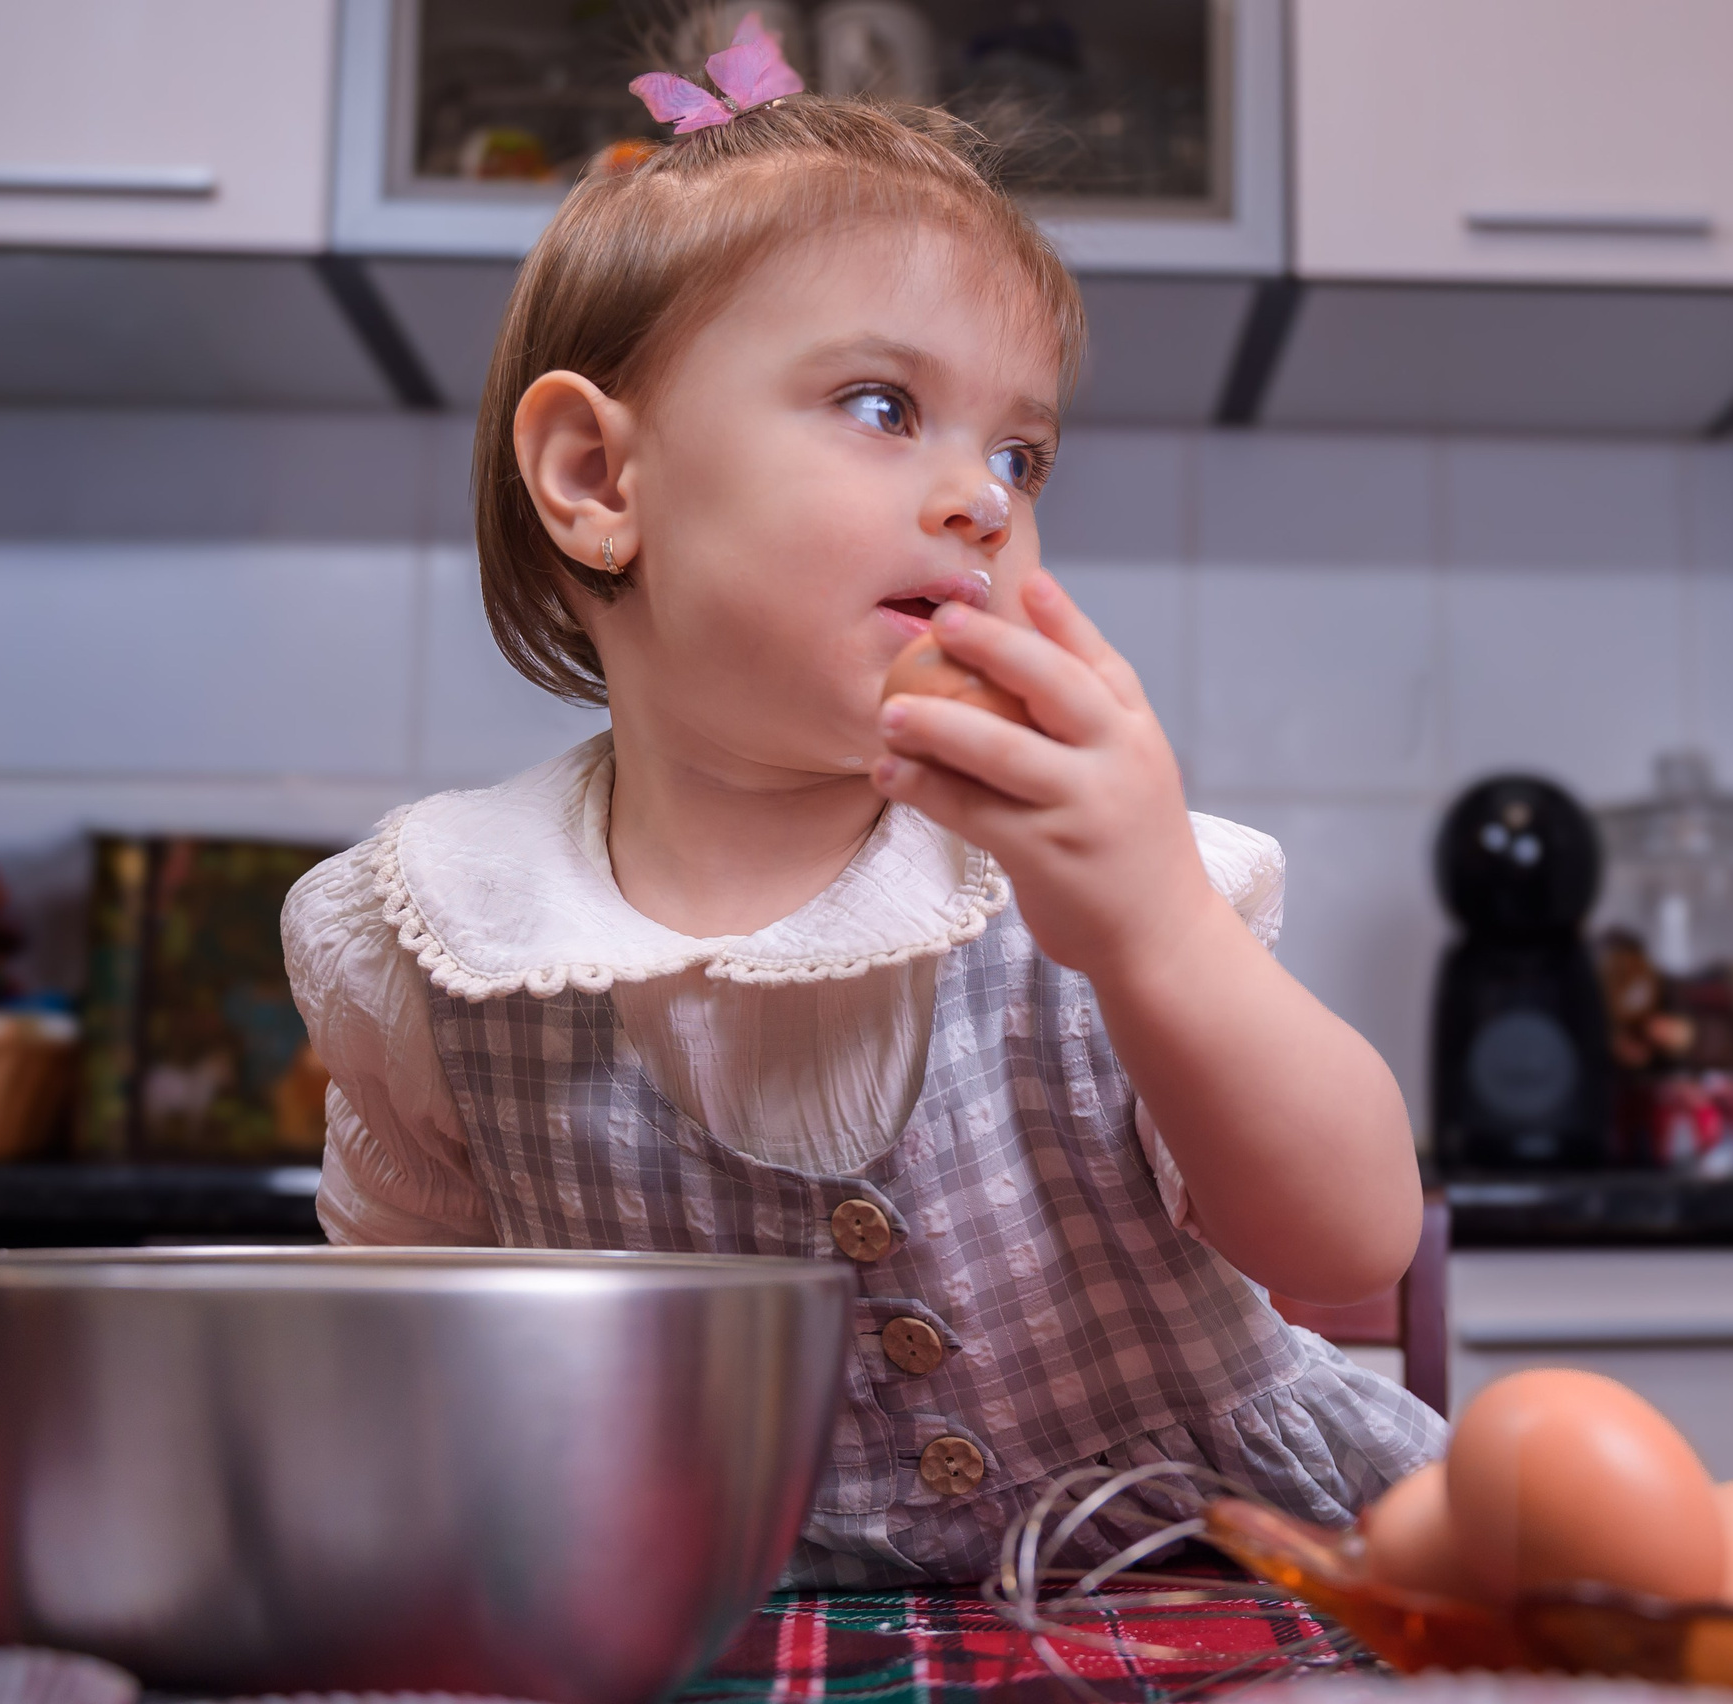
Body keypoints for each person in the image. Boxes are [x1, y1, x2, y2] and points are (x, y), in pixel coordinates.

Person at [283, 17, 1443, 1587]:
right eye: (886, 408)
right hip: (713, 1626)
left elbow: (1350, 1244)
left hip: (1209, 1588)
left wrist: (1161, 930)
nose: (983, 496)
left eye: (1022, 453)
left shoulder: (1084, 871)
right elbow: (402, 1374)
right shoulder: (437, 938)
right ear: (597, 480)